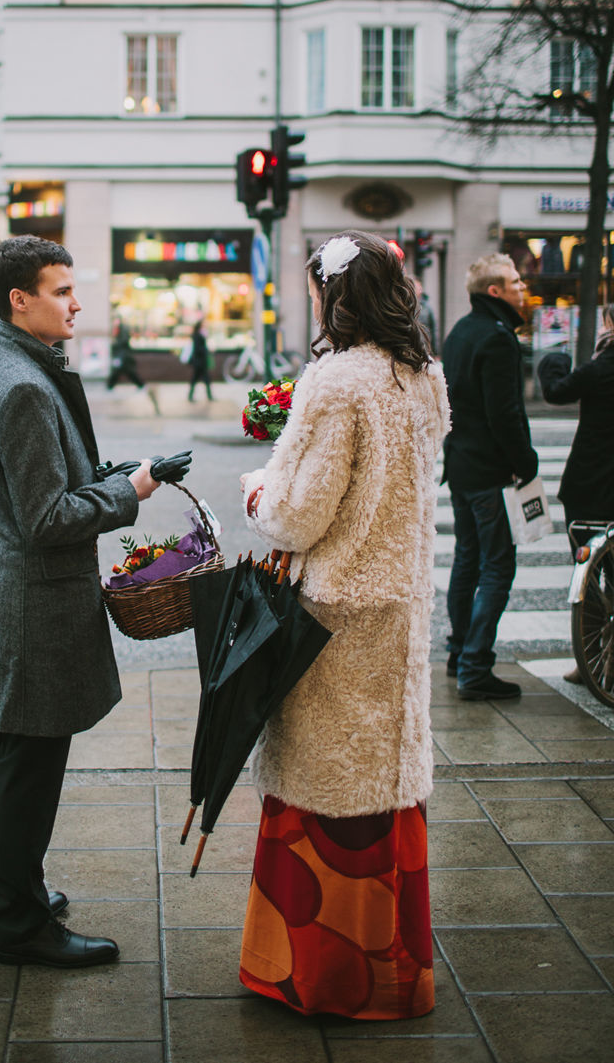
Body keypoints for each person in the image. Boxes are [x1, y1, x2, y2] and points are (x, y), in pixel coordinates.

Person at [237, 229, 448, 1021]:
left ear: (335, 295)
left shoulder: (335, 381)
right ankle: (396, 971)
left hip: (335, 614)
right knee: (387, 776)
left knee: (325, 787)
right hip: (399, 607)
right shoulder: (423, 377)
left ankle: (318, 974)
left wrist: (260, 488)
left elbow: (297, 514)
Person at [0, 236, 162, 968]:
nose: (77, 303)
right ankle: (21, 922)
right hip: (33, 608)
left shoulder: (1, 366)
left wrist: (104, 474)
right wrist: (126, 491)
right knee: (30, 765)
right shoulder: (22, 386)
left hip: (1, 595)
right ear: (21, 299)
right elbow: (46, 520)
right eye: (63, 290)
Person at [441, 254, 538, 701]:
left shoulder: (461, 331)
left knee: (467, 559)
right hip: (489, 471)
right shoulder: (499, 340)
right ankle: (476, 667)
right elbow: (506, 415)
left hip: (460, 466)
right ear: (495, 291)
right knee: (498, 565)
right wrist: (527, 461)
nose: (524, 287)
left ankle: (459, 652)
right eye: (516, 281)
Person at [539, 304, 614, 686]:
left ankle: (591, 658)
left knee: (589, 575)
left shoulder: (601, 366)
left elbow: (555, 391)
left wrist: (555, 357)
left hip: (590, 485)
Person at [108, 321, 160, 413]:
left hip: (123, 357)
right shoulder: (120, 334)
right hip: (123, 358)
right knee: (125, 372)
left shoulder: (121, 335)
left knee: (125, 372)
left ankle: (111, 385)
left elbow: (122, 344)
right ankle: (111, 385)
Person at [185, 319, 214, 402]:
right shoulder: (198, 336)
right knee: (202, 378)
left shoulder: (198, 335)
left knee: (200, 378)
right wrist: (206, 350)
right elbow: (198, 348)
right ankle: (208, 396)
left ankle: (192, 396)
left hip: (199, 361)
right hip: (199, 362)